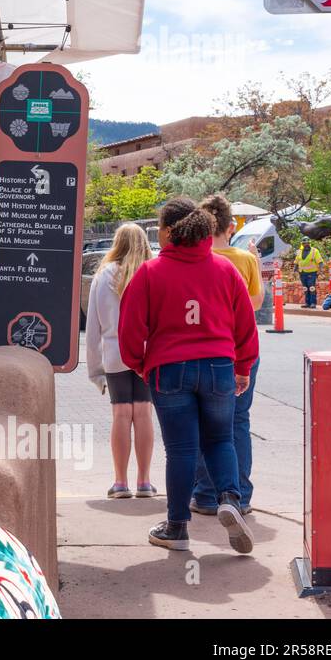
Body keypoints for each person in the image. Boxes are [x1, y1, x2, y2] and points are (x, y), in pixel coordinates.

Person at [118, 196, 258, 555]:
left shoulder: (150, 273)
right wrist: (242, 367)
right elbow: (246, 324)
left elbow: (131, 328)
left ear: (168, 232)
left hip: (170, 368)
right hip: (218, 366)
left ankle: (177, 527)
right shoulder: (226, 270)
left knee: (181, 450)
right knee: (221, 440)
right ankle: (229, 497)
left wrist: (139, 363)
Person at [191, 195, 264, 516]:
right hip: (241, 350)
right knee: (238, 421)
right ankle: (240, 494)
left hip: (204, 350)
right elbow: (256, 303)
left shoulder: (195, 259)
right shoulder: (244, 261)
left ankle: (206, 493)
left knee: (202, 422)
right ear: (230, 226)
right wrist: (257, 266)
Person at [85, 223, 157, 500]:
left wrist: (95, 373)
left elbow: (93, 327)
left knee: (121, 414)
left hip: (114, 354)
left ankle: (120, 482)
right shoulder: (150, 273)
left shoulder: (103, 275)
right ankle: (144, 481)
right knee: (143, 413)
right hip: (146, 352)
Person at [297, 239, 323, 309]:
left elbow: (320, 262)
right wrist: (294, 271)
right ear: (302, 244)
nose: (306, 244)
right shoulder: (299, 252)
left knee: (311, 288)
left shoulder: (315, 251)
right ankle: (307, 303)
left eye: (307, 243)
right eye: (304, 243)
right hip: (302, 273)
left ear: (309, 243)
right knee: (305, 288)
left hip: (312, 273)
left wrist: (320, 270)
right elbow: (296, 261)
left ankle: (313, 303)